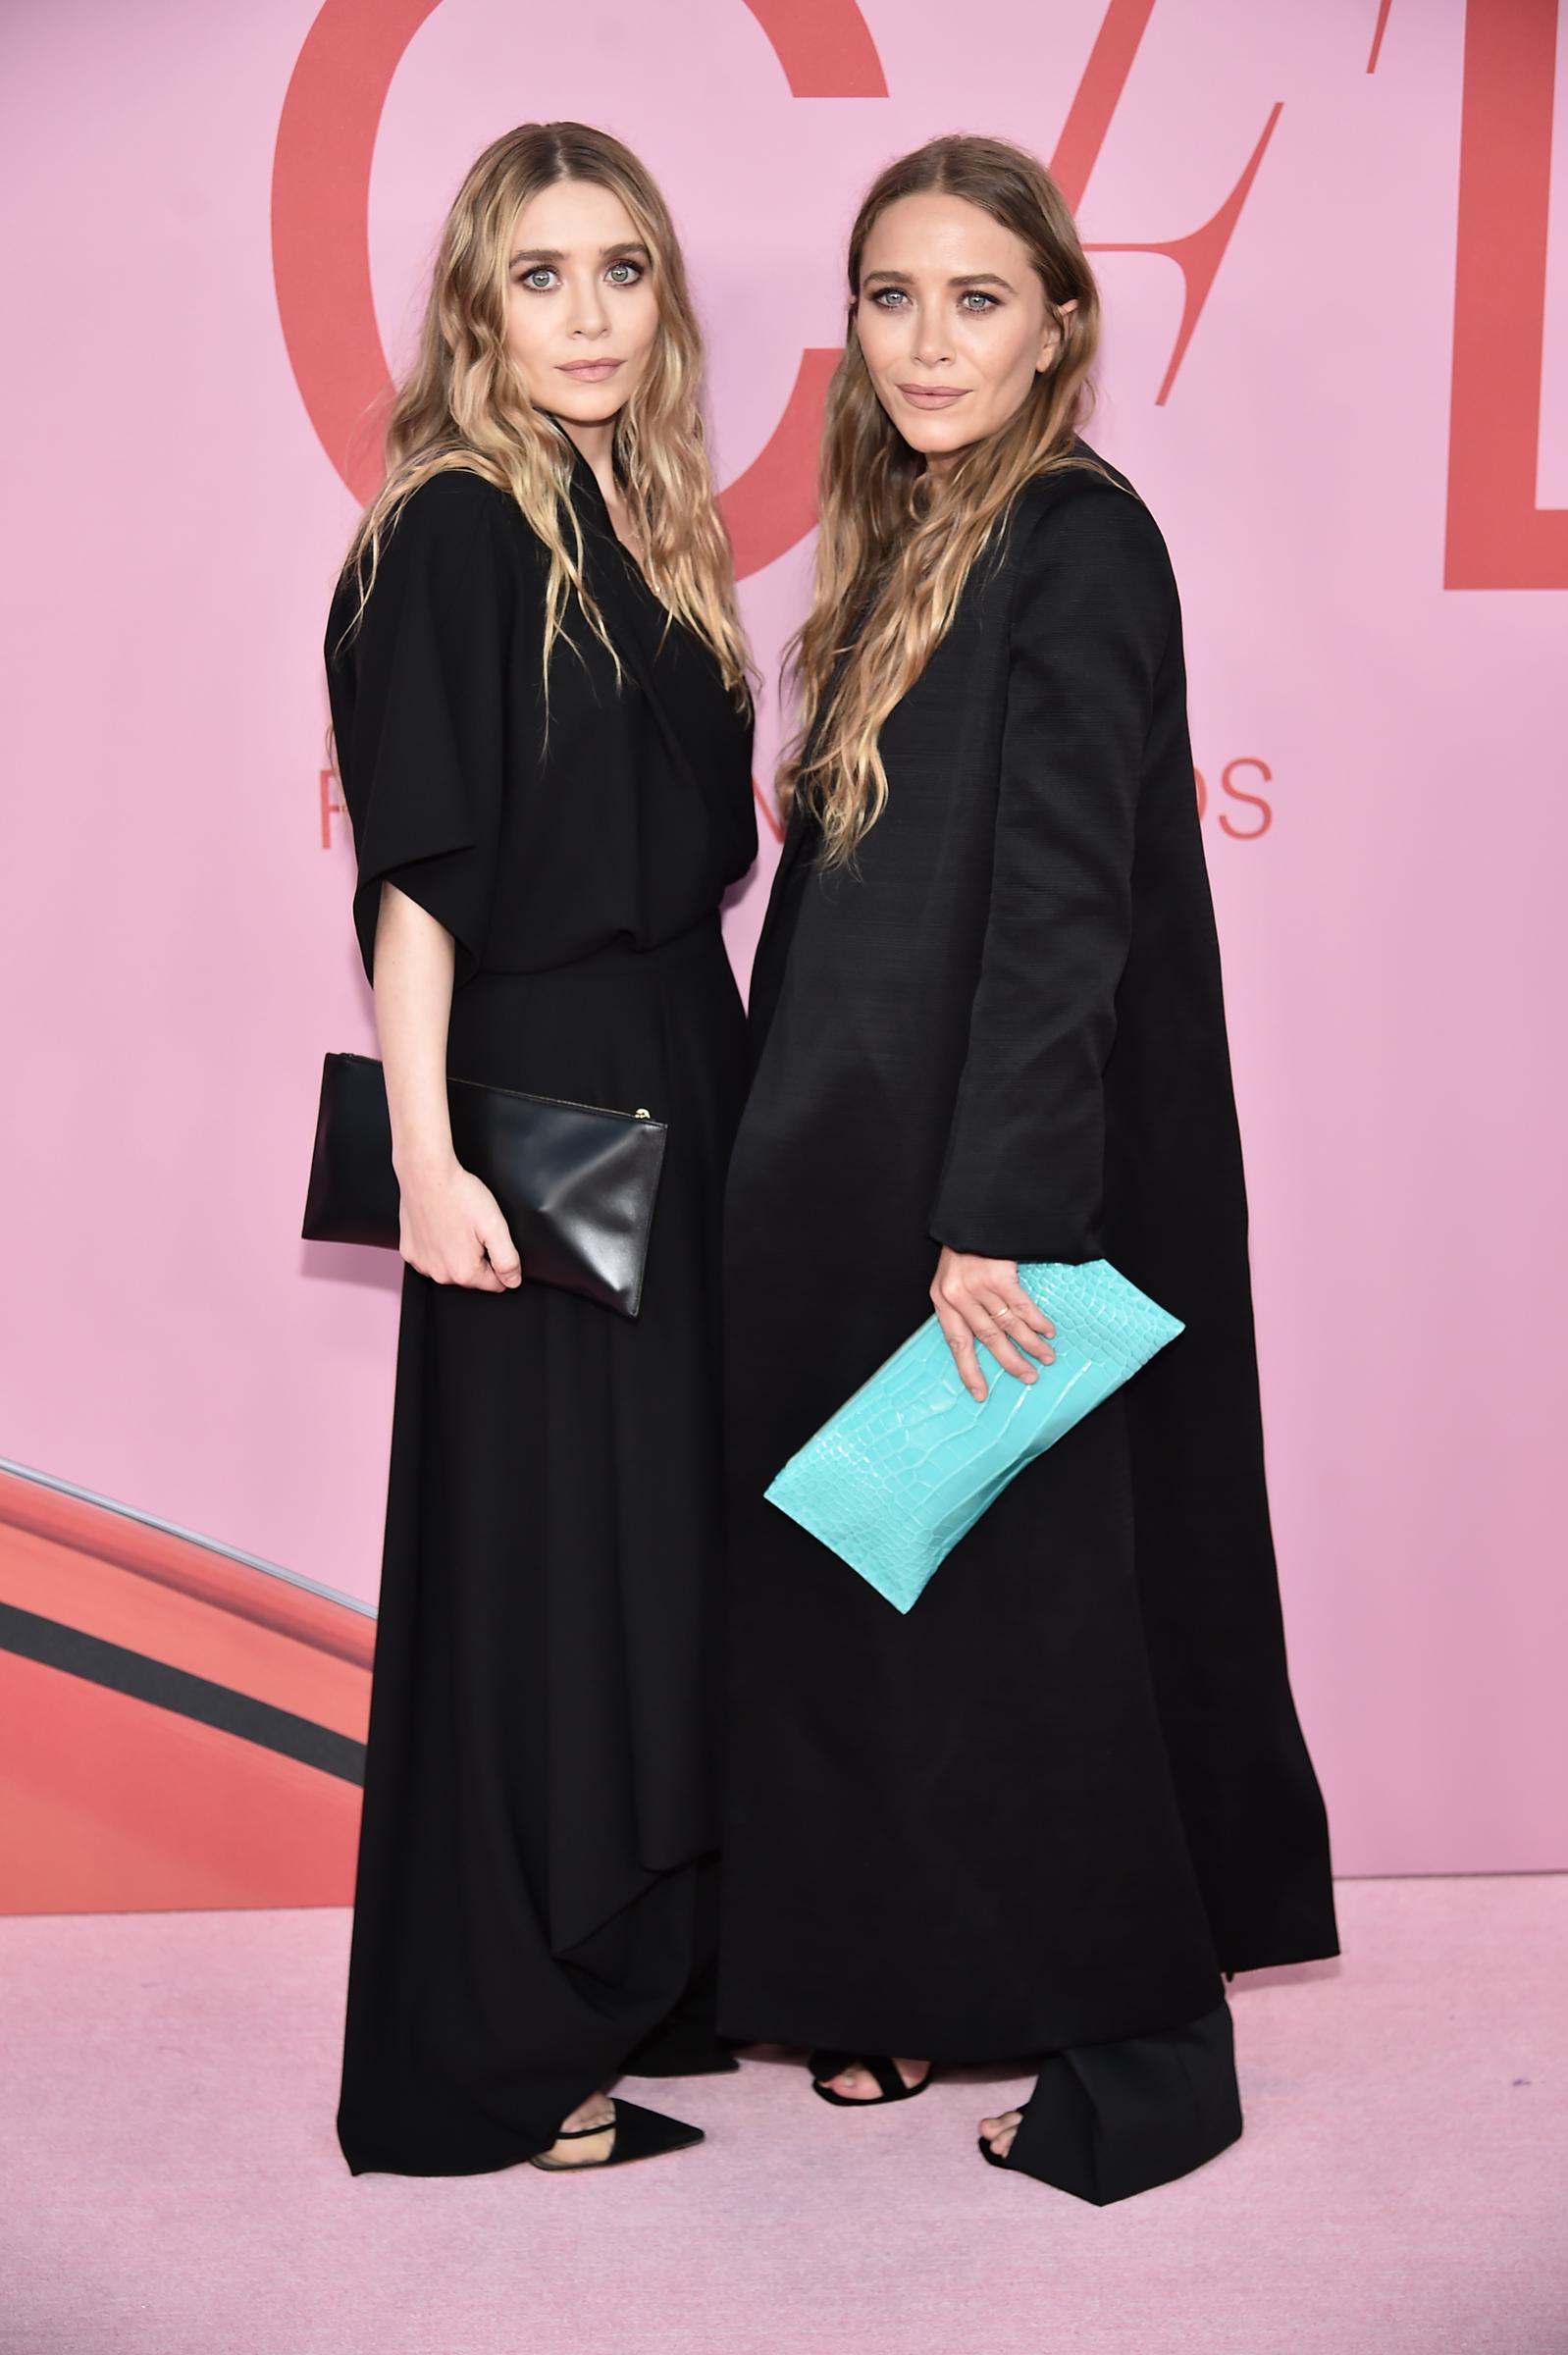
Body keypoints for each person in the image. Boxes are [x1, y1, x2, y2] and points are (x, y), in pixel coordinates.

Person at [717, 134, 1337, 2204]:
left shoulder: (1077, 538)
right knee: (895, 1597)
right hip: (854, 1167)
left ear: (1062, 320)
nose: (925, 339)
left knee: (1055, 1625)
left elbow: (1067, 901)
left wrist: (1004, 1206)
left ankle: (1147, 2061)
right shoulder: (906, 538)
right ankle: (900, 1971)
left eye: (975, 297)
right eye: (891, 296)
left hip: (1002, 1187)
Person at [326, 122, 756, 2176]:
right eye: (541, 275)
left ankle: (641, 1970)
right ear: (473, 307)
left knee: (653, 1558)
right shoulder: (451, 528)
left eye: (623, 272)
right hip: (545, 1100)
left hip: (688, 1059)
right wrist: (427, 1161)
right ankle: (493, 2053)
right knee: (538, 1573)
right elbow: (419, 883)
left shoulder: (641, 513)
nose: (587, 316)